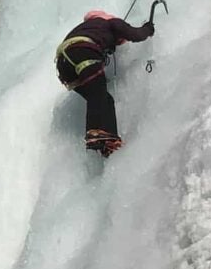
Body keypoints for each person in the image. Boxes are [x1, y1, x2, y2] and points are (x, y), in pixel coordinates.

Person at [55, 10, 154, 158]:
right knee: (98, 93)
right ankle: (95, 131)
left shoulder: (85, 29)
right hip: (83, 52)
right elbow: (134, 34)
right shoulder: (109, 22)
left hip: (64, 66)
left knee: (105, 99)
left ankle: (110, 139)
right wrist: (148, 29)